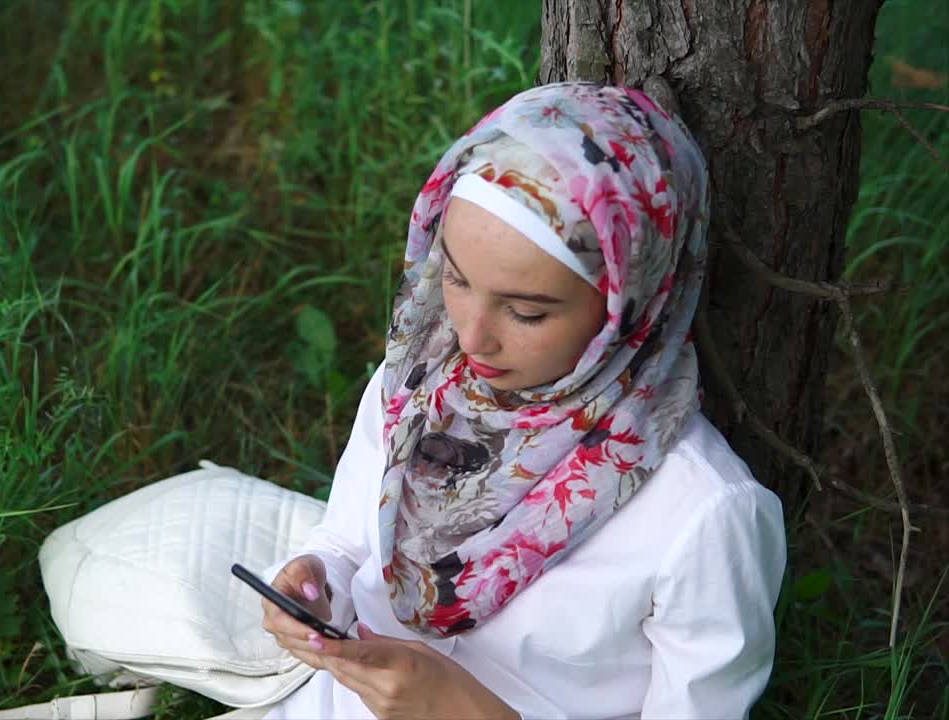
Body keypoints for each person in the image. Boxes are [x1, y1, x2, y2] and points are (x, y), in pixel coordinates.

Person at [256, 82, 787, 719]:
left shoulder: (701, 512)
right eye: (455, 279)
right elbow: (348, 545)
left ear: (631, 306)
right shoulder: (418, 388)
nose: (470, 337)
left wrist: (463, 710)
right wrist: (317, 583)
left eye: (527, 312)